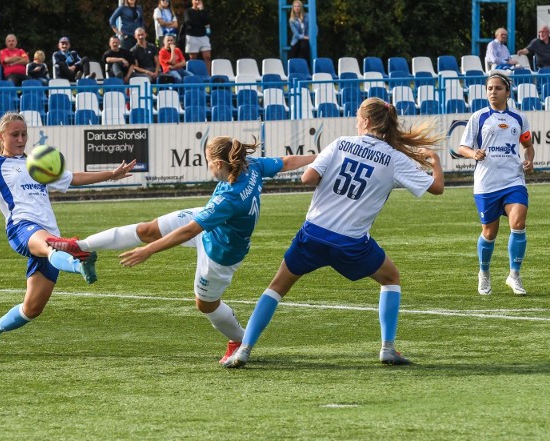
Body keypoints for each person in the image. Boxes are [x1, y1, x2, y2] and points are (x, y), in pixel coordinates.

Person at [46, 136, 317, 364]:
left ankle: (239, 339)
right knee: (147, 228)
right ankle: (80, 247)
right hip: (210, 221)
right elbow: (287, 162)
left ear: (219, 164)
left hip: (221, 251)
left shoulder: (229, 198)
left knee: (205, 304)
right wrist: (321, 156)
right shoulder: (252, 165)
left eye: (208, 162)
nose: (207, 167)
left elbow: (190, 231)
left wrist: (149, 251)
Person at [223, 98, 445, 369]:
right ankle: (387, 348)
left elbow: (308, 178)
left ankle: (244, 349)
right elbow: (436, 188)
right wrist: (434, 161)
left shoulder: (341, 143)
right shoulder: (394, 158)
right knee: (391, 277)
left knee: (277, 286)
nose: (355, 120)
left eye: (357, 115)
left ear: (365, 121)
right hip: (351, 243)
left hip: (313, 234)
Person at [0, 112, 137, 356]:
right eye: (14, 134)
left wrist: (111, 175)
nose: (20, 139)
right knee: (54, 246)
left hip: (48, 234)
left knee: (32, 309)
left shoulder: (36, 164)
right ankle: (78, 262)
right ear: (1, 136)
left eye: (24, 134)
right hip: (22, 229)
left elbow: (73, 178)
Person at [457, 73, 535, 296]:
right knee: (489, 233)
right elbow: (462, 147)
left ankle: (514, 275)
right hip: (486, 184)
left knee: (518, 223)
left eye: (498, 88)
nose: (493, 92)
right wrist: (474, 153)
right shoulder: (478, 117)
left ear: (507, 92)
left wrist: (528, 159)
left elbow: (527, 145)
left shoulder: (518, 118)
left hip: (514, 180)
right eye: (490, 88)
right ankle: (484, 273)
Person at [183, 0, 212, 75]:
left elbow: (207, 21)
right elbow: (189, 21)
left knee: (207, 57)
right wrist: (200, 23)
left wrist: (202, 10)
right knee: (193, 58)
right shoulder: (188, 11)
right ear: (192, 1)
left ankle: (208, 75)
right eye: (196, 0)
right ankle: (193, 76)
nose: (197, 2)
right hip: (192, 36)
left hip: (203, 35)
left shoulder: (203, 11)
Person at [288, 0, 310, 67]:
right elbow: (296, 34)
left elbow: (313, 27)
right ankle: (293, 71)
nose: (297, 8)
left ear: (301, 7)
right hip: (297, 39)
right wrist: (306, 37)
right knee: (293, 53)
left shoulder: (307, 16)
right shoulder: (292, 20)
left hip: (306, 40)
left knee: (304, 48)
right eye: (295, 6)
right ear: (293, 8)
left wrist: (311, 36)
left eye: (298, 6)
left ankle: (306, 69)